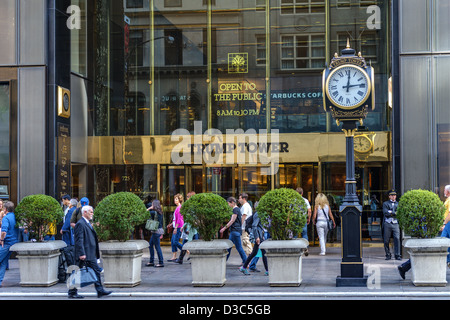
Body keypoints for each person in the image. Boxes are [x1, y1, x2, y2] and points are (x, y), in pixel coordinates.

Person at [68, 205, 112, 299]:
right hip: (84, 254)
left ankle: (100, 290)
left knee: (96, 270)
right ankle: (72, 292)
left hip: (90, 253)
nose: (92, 214)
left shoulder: (87, 223)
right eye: (91, 212)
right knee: (77, 272)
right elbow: (79, 240)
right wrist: (82, 253)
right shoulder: (80, 223)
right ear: (85, 212)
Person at [239, 211, 269, 276]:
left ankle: (244, 267)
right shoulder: (258, 213)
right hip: (258, 235)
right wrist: (257, 237)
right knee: (263, 252)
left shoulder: (260, 213)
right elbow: (254, 225)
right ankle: (267, 270)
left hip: (259, 235)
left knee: (255, 252)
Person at [220, 197, 247, 265]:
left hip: (235, 231)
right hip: (235, 231)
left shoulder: (235, 210)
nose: (228, 205)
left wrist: (224, 228)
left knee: (236, 247)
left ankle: (246, 261)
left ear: (232, 202)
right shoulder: (237, 209)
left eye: (228, 203)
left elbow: (232, 220)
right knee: (232, 247)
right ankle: (245, 261)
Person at [175, 191, 199, 264]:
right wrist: (184, 226)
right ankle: (181, 259)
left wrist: (186, 227)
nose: (187, 198)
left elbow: (191, 219)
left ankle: (182, 259)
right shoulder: (191, 206)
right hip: (191, 228)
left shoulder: (192, 207)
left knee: (189, 244)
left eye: (188, 196)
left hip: (191, 229)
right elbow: (188, 219)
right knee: (188, 244)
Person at [0, 201, 19, 287]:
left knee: (2, 261)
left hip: (7, 242)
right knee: (3, 262)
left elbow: (4, 231)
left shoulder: (5, 218)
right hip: (14, 242)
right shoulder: (15, 217)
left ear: (5, 209)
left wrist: (1, 239)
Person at [382, 189, 401, 260]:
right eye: (392, 195)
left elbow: (398, 213)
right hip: (387, 223)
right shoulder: (385, 203)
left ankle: (397, 255)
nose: (394, 197)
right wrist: (394, 213)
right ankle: (387, 254)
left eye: (395, 195)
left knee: (397, 239)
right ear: (389, 196)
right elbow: (385, 213)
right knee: (386, 240)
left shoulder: (398, 204)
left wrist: (390, 212)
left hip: (395, 224)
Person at [146, 200, 164, 267]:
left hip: (156, 232)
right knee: (150, 245)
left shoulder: (153, 212)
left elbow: (145, 212)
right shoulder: (160, 212)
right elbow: (161, 223)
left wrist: (149, 208)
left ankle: (161, 262)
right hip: (158, 231)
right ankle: (151, 261)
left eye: (152, 204)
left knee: (157, 247)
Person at [168, 194, 184, 262]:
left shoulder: (179, 207)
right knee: (172, 242)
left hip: (178, 226)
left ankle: (185, 250)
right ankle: (174, 256)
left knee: (175, 242)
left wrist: (175, 228)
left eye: (176, 199)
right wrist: (172, 224)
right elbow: (175, 218)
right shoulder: (177, 207)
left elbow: (179, 219)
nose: (175, 200)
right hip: (175, 226)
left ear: (179, 200)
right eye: (174, 199)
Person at [296, 187, 312, 256]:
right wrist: (308, 218)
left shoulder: (294, 200)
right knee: (304, 234)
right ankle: (305, 248)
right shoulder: (305, 200)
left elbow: (290, 211)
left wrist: (288, 219)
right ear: (302, 193)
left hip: (295, 219)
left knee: (295, 234)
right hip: (303, 219)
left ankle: (296, 249)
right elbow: (309, 210)